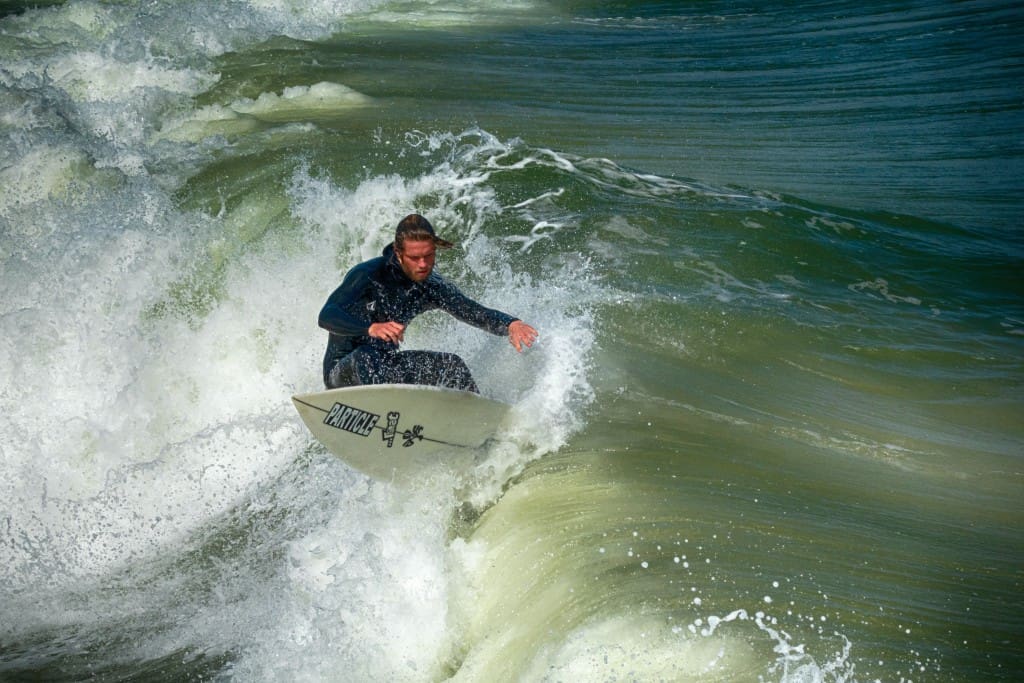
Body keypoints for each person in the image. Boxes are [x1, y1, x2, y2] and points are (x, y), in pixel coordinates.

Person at [318, 213, 539, 393]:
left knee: (452, 366)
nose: (423, 264)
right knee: (368, 355)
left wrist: (511, 324)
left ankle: (476, 428)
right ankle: (387, 413)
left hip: (384, 370)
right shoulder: (368, 275)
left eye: (429, 256)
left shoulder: (430, 286)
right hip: (344, 373)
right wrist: (370, 328)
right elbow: (327, 315)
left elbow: (470, 310)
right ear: (399, 253)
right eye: (415, 258)